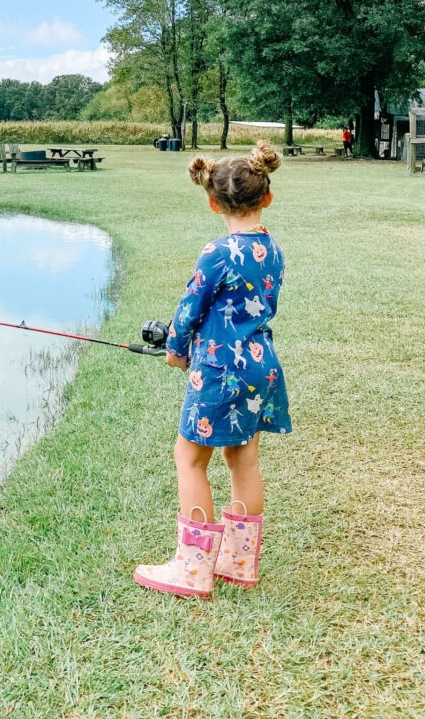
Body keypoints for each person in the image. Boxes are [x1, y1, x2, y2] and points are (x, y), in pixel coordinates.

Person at [134, 141, 292, 598]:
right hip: (260, 367)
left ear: (212, 202)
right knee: (243, 458)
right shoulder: (272, 249)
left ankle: (192, 570)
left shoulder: (218, 251)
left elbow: (189, 310)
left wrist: (176, 349)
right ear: (267, 197)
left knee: (189, 458)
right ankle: (238, 564)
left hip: (220, 372)